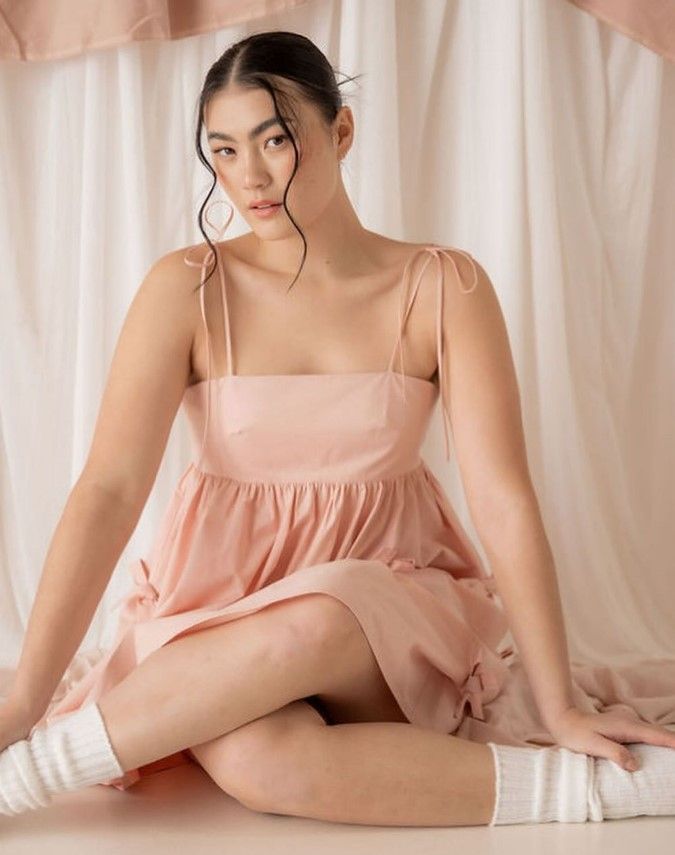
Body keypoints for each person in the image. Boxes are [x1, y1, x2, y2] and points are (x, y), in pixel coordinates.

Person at [2, 29, 675, 828]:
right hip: (221, 617)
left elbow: (501, 498)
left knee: (322, 612)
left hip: (380, 617)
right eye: (223, 151)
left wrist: (558, 702)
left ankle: (27, 778)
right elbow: (109, 490)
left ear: (340, 131)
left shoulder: (440, 284)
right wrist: (23, 700)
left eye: (275, 141)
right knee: (258, 762)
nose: (249, 177)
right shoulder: (187, 287)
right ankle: (621, 790)